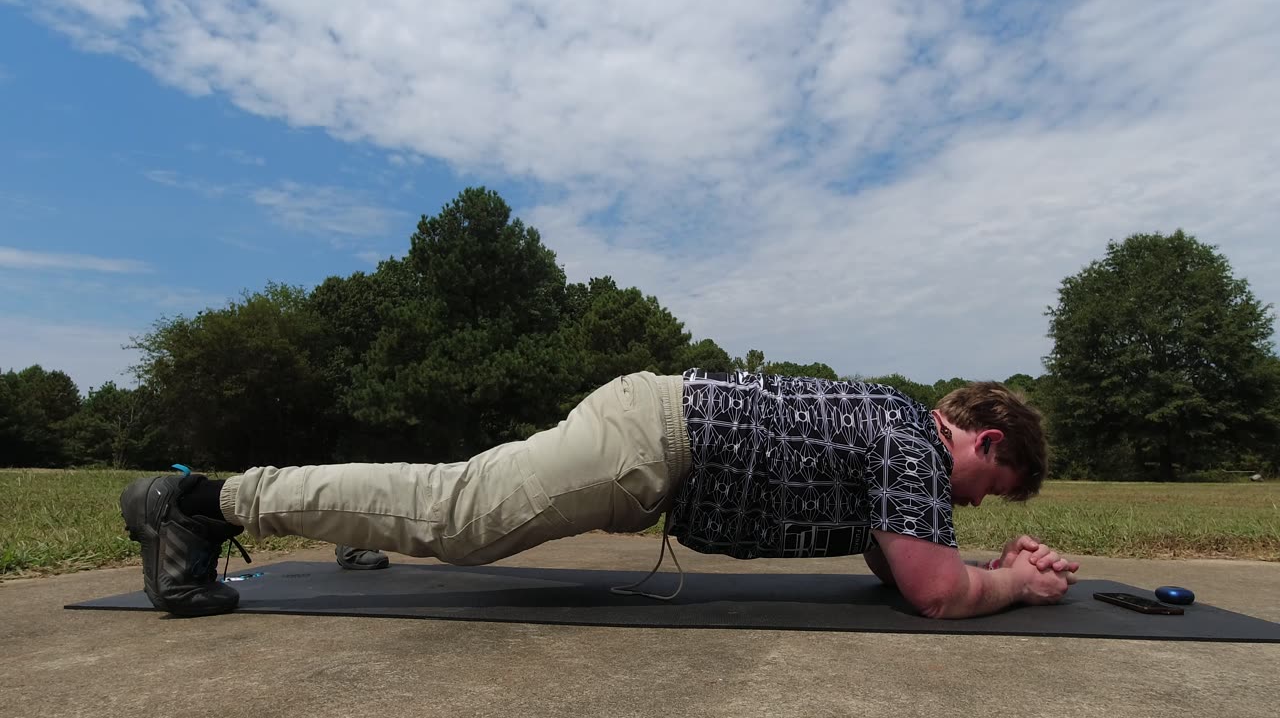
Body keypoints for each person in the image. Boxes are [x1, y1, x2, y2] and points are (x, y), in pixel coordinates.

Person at [120, 368, 1079, 618]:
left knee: (457, 497)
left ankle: (338, 519)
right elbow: (936, 593)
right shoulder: (914, 440)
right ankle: (198, 503)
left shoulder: (894, 425)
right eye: (990, 491)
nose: (975, 509)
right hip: (649, 447)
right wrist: (1016, 586)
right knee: (462, 517)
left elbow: (901, 558)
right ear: (985, 440)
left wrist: (982, 565)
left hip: (651, 431)